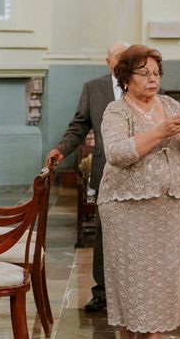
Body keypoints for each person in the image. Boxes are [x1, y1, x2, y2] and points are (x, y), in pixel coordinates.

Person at [98, 45, 180, 339]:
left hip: (166, 207)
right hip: (125, 209)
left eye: (156, 73)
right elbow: (117, 153)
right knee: (132, 284)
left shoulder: (170, 104)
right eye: (144, 73)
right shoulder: (117, 110)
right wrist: (161, 131)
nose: (153, 79)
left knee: (161, 281)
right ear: (126, 78)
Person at [46, 40, 129, 312]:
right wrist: (60, 149)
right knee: (104, 233)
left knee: (136, 235)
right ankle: (102, 292)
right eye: (118, 57)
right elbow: (79, 126)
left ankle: (132, 293)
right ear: (108, 62)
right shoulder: (94, 88)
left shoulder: (144, 87)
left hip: (140, 170)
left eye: (127, 57)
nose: (123, 62)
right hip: (105, 170)